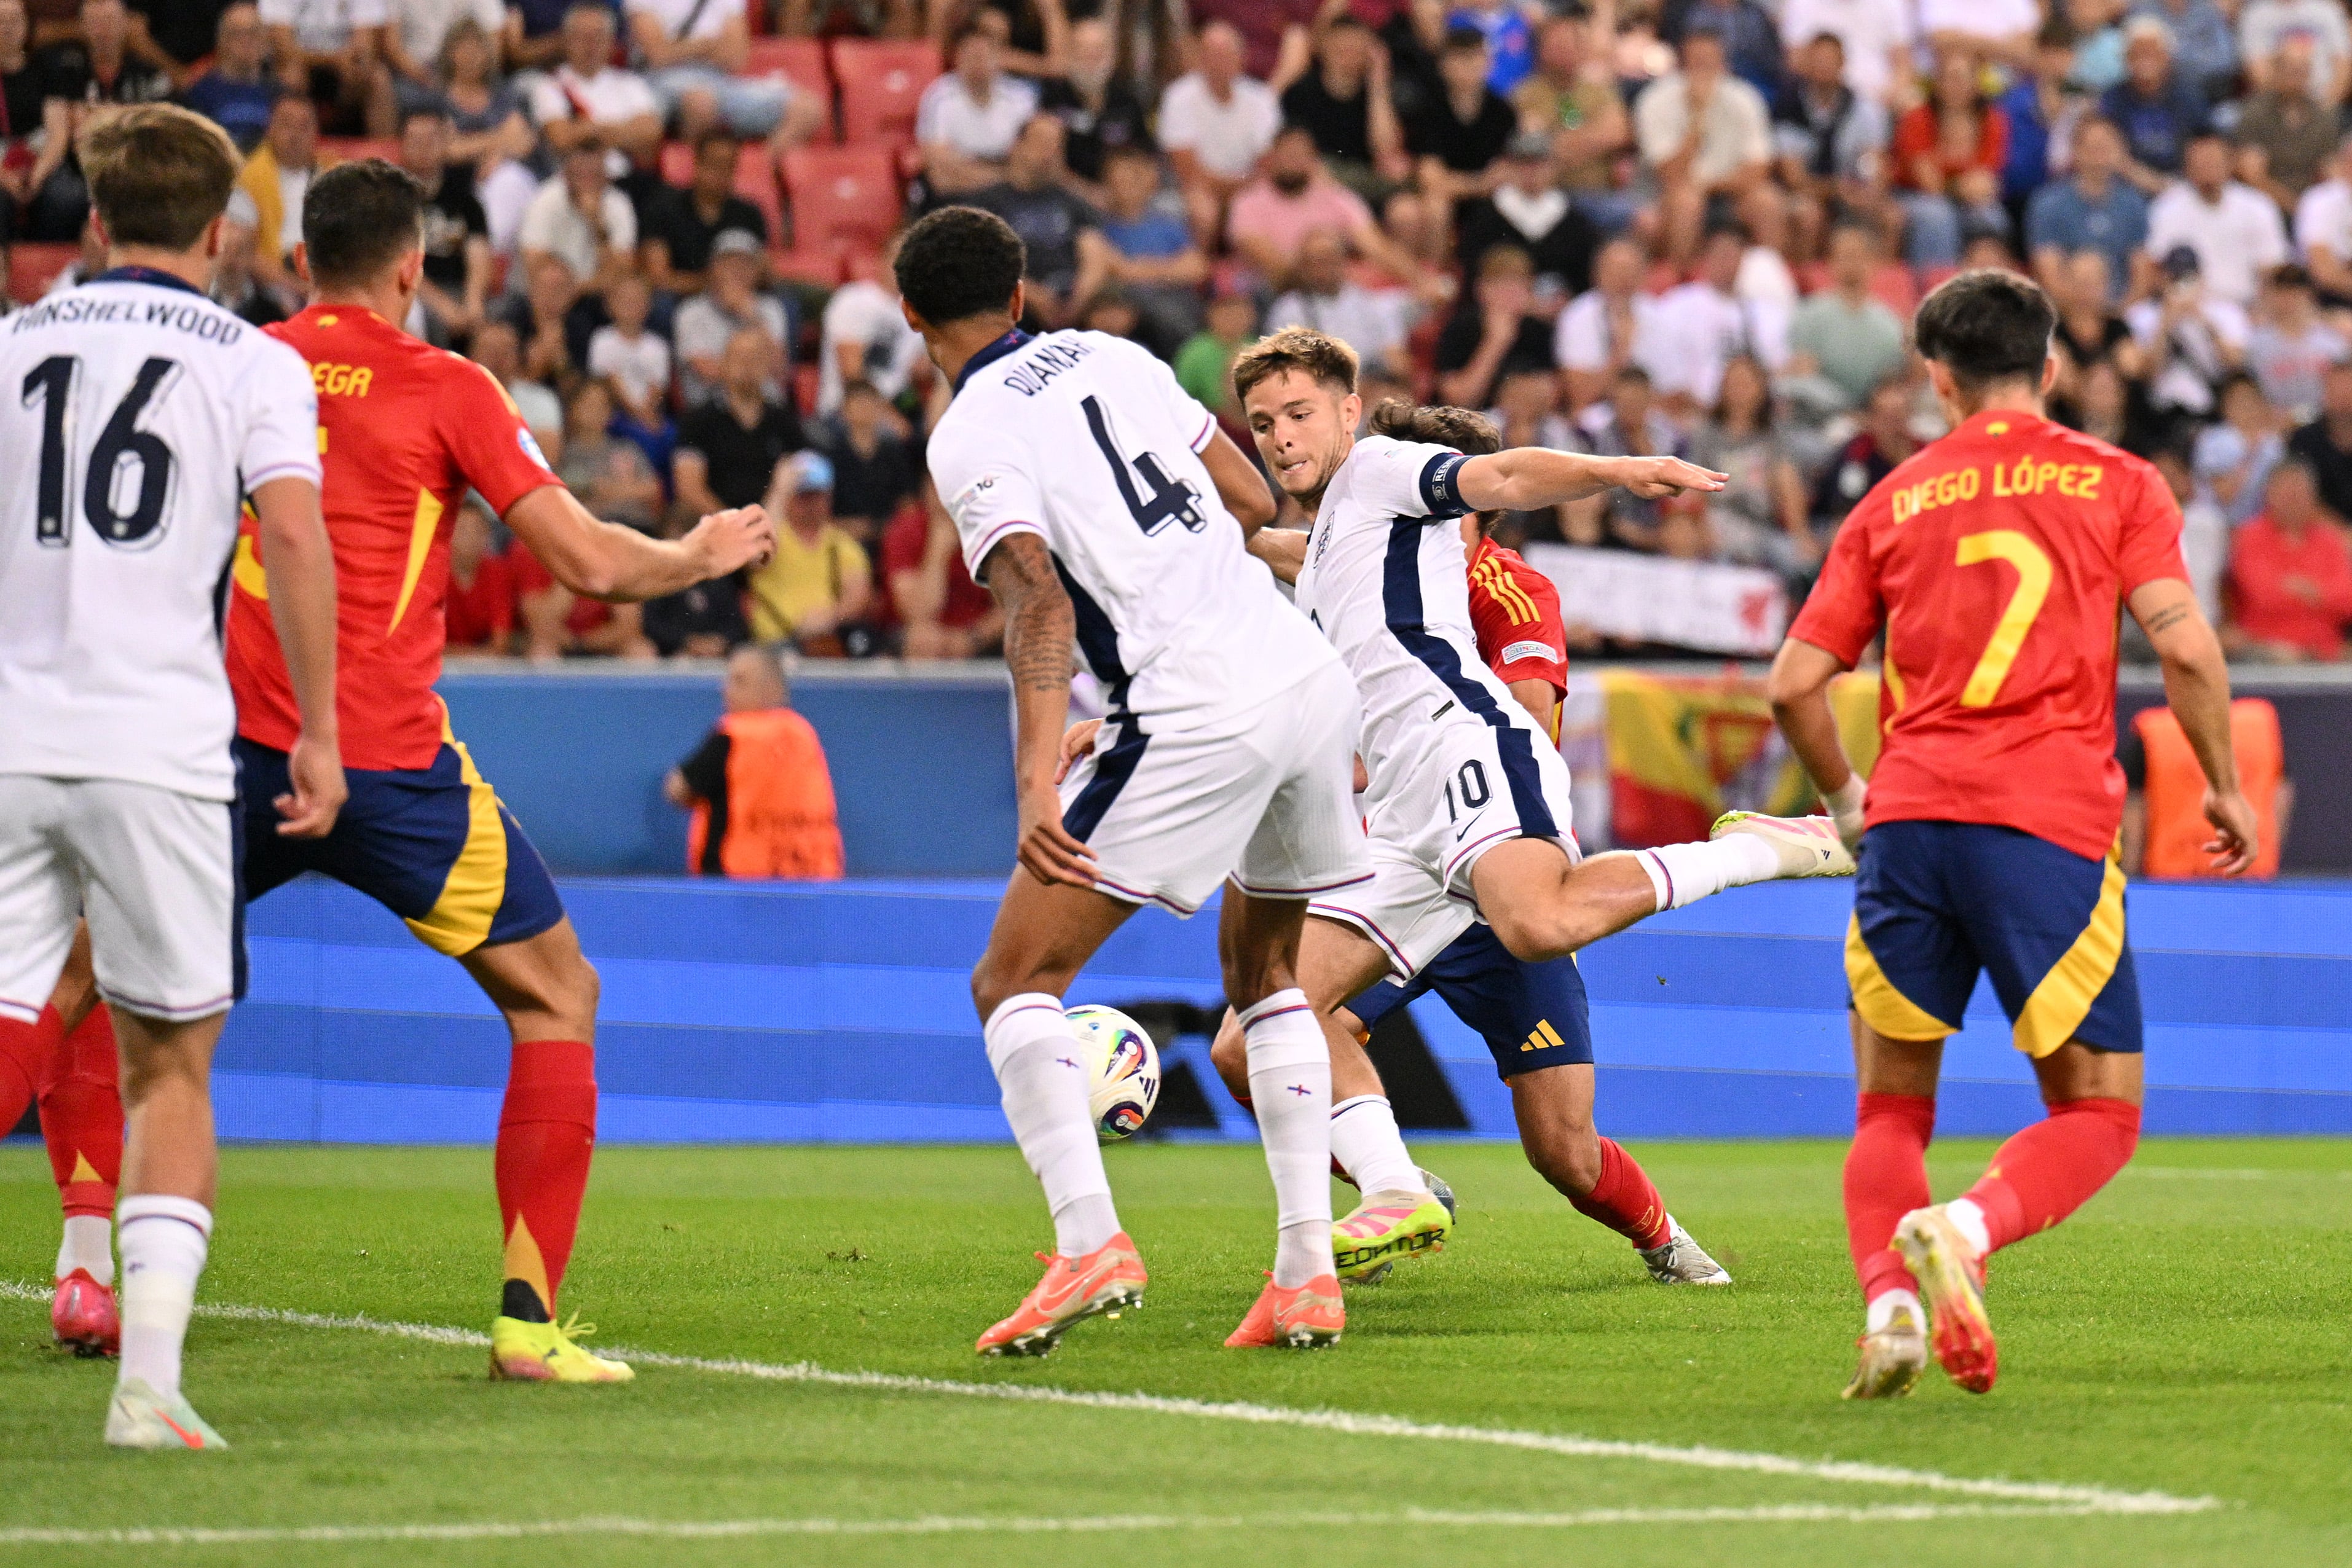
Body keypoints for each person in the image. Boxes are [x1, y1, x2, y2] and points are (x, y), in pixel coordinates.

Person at [226, 157, 774, 1384]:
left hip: (229, 748)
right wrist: (694, 553)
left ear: (301, 258)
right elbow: (586, 564)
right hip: (386, 765)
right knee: (555, 997)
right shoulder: (446, 385)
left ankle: (95, 1281)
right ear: (414, 267)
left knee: (78, 986)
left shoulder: (236, 362)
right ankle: (527, 1321)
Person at [1221, 326, 1851, 1277]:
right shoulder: (1326, 539)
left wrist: (1616, 469)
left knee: (1535, 924)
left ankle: (1764, 847)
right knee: (1261, 1021)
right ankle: (1394, 1190)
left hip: (1466, 754)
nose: (1277, 435)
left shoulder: (1385, 469)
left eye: (1298, 413)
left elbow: (1505, 478)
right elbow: (1261, 545)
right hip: (1398, 815)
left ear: (1349, 412)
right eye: (1261, 422)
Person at [1764, 268, 2257, 1401]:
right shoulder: (2118, 482)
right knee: (2096, 1107)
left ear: (1935, 379)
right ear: (2050, 367)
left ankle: (1886, 1312)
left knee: (1889, 1106)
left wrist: (1848, 802)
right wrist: (2222, 784)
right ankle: (1968, 1229)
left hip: (1911, 818)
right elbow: (2183, 650)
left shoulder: (1890, 500)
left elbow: (1795, 682)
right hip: (2046, 825)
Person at [900, 206, 1374, 1355]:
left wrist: (1031, 784)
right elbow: (1253, 500)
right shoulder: (1118, 355)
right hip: (1304, 678)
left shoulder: (967, 433)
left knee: (1014, 978)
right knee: (1268, 980)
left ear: (918, 323)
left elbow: (1039, 603)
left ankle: (1088, 1243)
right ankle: (1307, 1273)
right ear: (1019, 292)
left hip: (1195, 701)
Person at [1181, 403, 1731, 1288]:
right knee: (1248, 1047)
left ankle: (1663, 1239)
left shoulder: (1505, 590)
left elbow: (1531, 729)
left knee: (1564, 1151)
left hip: (1486, 878)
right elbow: (1264, 548)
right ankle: (1392, 1185)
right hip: (1396, 864)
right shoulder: (1348, 559)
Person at [0, 104, 340, 1447]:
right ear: (222, 232)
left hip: (14, 733)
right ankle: (146, 1384)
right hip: (164, 747)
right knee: (168, 1068)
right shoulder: (256, 364)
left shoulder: (11, 344)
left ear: (90, 224)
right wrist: (316, 731)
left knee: (15, 1018)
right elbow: (298, 544)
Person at [666, 643, 844, 877]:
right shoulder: (804, 734)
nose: (725, 690)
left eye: (739, 681)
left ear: (773, 688)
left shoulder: (736, 735)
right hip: (809, 878)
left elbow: (678, 789)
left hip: (737, 884)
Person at [623, 0, 809, 145]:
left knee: (805, 109)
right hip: (661, 80)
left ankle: (759, 174)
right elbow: (658, 56)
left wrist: (684, 49)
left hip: (718, 79)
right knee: (701, 102)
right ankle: (692, 181)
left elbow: (736, 58)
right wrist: (707, 45)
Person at [2224, 458, 2352, 660]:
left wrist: (2311, 591)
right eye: (2287, 491)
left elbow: (2347, 599)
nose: (2294, 499)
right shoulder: (2249, 536)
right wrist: (2320, 593)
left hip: (2327, 650)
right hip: (2265, 647)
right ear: (2268, 494)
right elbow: (2262, 595)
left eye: (2300, 492)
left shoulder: (2330, 539)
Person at [2145, 132, 2291, 308]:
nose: (2207, 167)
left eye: (2213, 161)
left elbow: (2272, 268)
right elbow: (2155, 266)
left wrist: (2262, 311)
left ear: (2230, 164)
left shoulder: (2258, 206)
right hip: (2185, 307)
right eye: (2200, 162)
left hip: (2245, 307)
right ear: (2187, 166)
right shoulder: (2167, 208)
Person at [675, 325, 806, 514]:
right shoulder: (698, 420)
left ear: (767, 366)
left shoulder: (784, 421)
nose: (747, 364)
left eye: (755, 358)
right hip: (715, 525)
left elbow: (800, 483)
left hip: (772, 525)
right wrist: (734, 526)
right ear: (724, 363)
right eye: (739, 357)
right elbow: (689, 489)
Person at [746, 450, 871, 648]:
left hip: (823, 642)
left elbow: (858, 595)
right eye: (802, 496)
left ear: (828, 497)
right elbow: (755, 557)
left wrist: (831, 617)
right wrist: (779, 492)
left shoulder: (842, 544)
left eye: (817, 496)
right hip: (772, 644)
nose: (810, 504)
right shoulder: (775, 535)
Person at [1267, 226, 1415, 380]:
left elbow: (1395, 356)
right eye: (1315, 262)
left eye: (1328, 259)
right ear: (1303, 267)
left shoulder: (1366, 300)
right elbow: (1285, 367)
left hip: (1372, 380)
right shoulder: (1289, 309)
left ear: (1342, 261)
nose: (1322, 269)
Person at [1790, 222, 1907, 408]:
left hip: (1871, 421)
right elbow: (1803, 375)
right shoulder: (1810, 315)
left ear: (1874, 263)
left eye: (1858, 257)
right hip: (1820, 417)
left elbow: (1891, 381)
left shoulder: (1889, 324)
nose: (1851, 265)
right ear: (1831, 262)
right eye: (1844, 257)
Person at [398, 106, 489, 344]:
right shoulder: (392, 201)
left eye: (431, 140)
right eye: (416, 141)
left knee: (499, 322)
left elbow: (478, 252)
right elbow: (400, 264)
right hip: (415, 295)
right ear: (402, 145)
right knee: (425, 320)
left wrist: (474, 302)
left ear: (445, 143)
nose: (424, 148)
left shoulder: (465, 198)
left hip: (461, 288)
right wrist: (445, 308)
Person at [916, 22, 1037, 196]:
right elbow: (936, 159)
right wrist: (1002, 180)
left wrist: (1013, 177)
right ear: (957, 59)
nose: (978, 64)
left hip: (1008, 186)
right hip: (961, 188)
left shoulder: (1021, 96)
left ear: (998, 58)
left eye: (984, 57)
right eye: (971, 57)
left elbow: (1032, 155)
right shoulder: (939, 96)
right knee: (940, 179)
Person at [672, 229, 787, 405]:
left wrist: (752, 317)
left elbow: (779, 369)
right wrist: (752, 372)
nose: (737, 271)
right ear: (713, 268)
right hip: (713, 409)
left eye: (745, 265)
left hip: (765, 408)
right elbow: (704, 370)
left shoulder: (771, 308)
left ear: (756, 271)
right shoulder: (691, 311)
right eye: (729, 264)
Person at [181, 2, 278, 151]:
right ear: (222, 41)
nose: (247, 42)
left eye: (254, 33)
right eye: (238, 34)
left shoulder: (279, 94)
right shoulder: (200, 94)